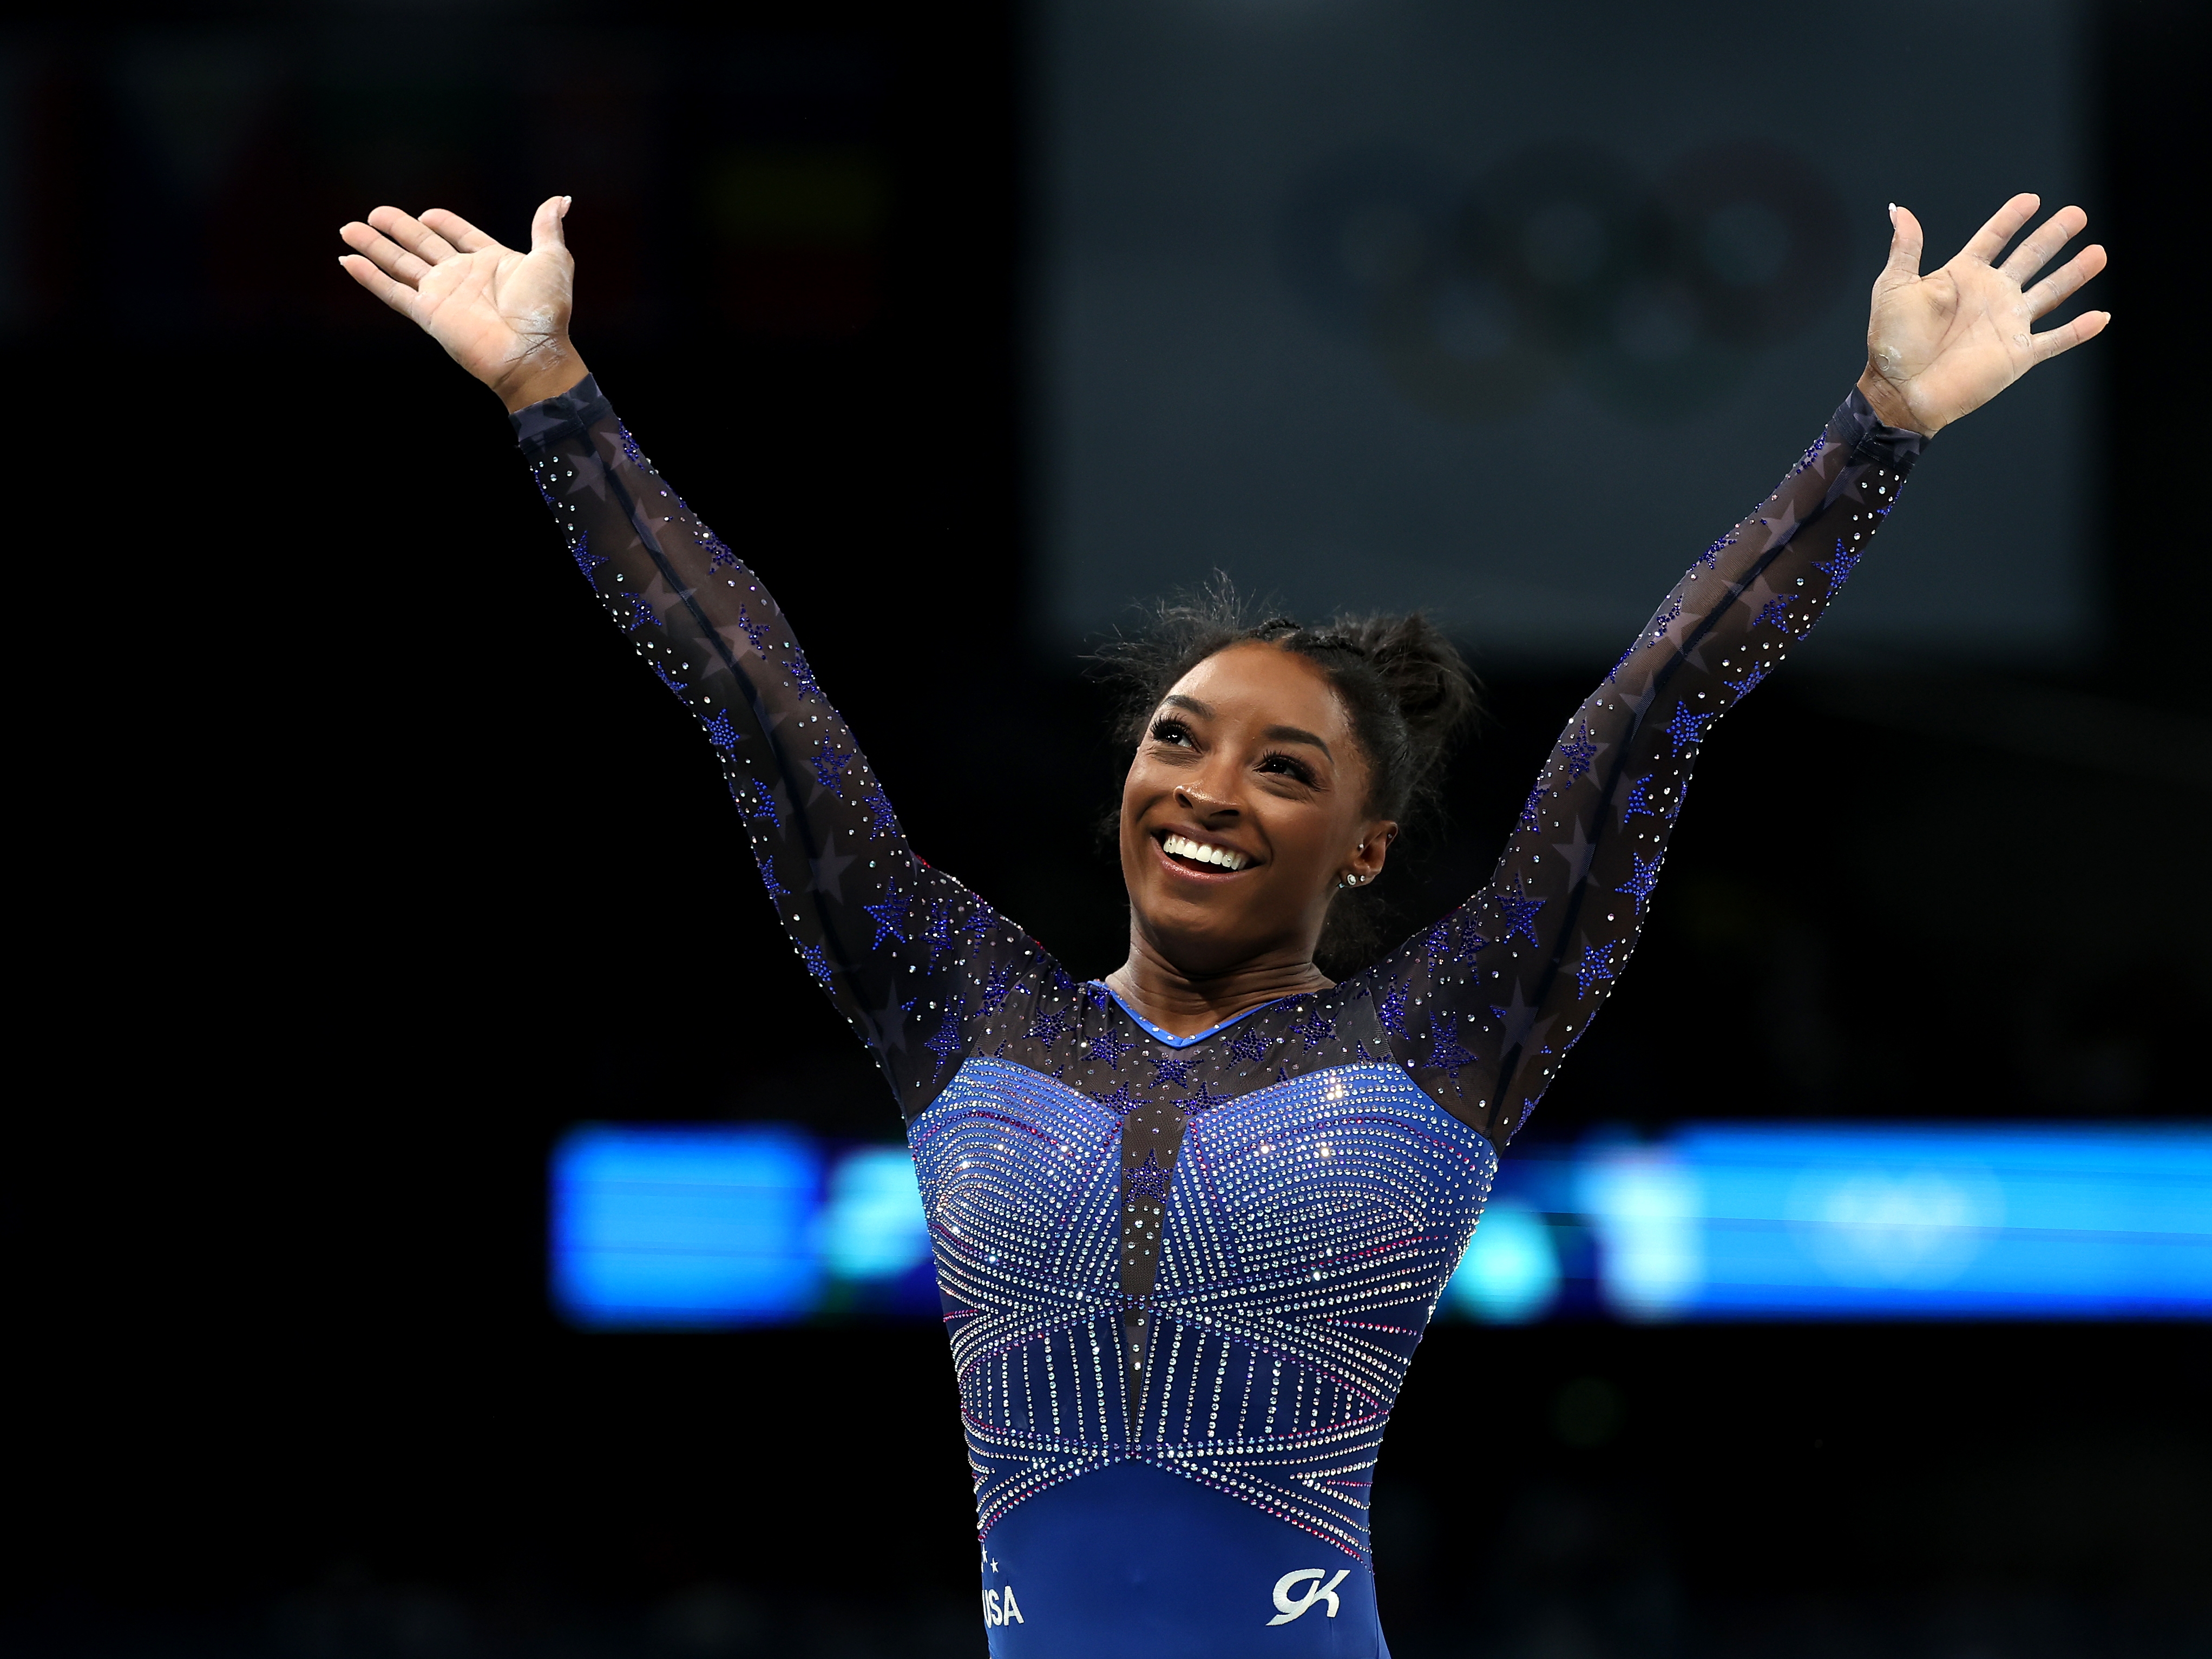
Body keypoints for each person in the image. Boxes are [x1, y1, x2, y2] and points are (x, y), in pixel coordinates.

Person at [339, 188, 2106, 1657]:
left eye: (1284, 767)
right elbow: (752, 696)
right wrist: (551, 393)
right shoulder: (957, 1004)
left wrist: (1875, 433)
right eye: (1177, 739)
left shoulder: (1445, 1034)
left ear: (1364, 846)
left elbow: (1655, 712)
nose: (1208, 787)